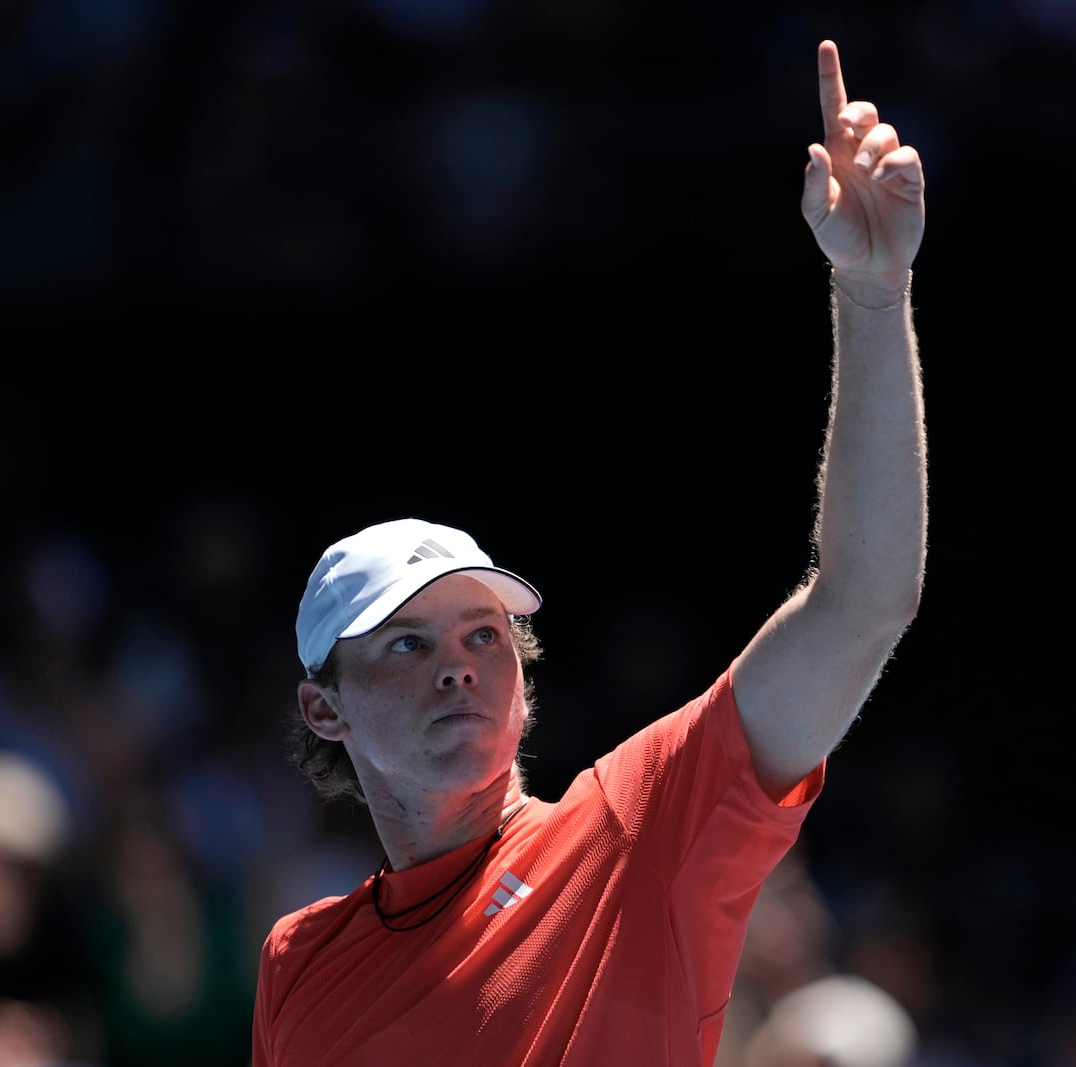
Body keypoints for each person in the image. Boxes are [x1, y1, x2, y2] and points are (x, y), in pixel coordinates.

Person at [251, 37, 927, 1067]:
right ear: (322, 706)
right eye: (403, 642)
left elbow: (860, 603)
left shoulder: (635, 831)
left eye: (484, 631)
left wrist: (873, 296)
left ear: (521, 677)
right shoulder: (297, 964)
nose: (455, 662)